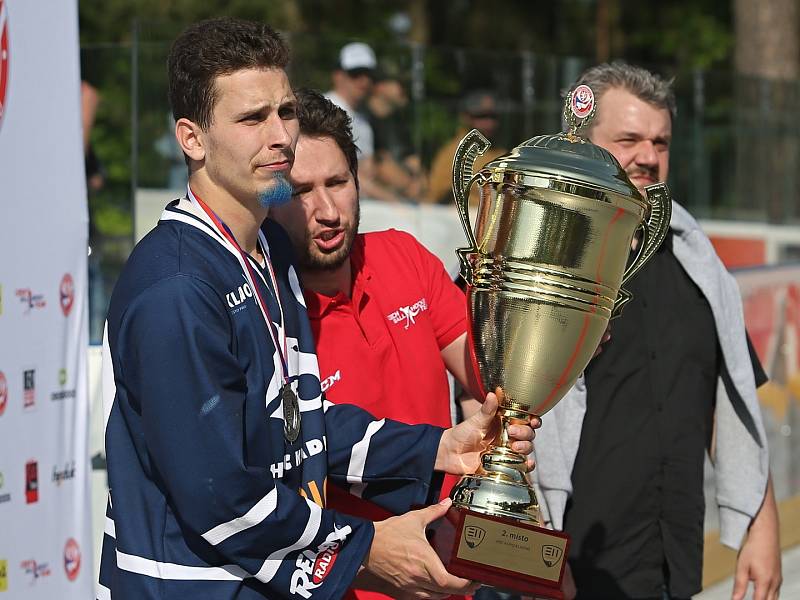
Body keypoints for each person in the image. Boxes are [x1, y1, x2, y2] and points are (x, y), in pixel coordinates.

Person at [98, 18, 537, 600]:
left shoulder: (266, 253)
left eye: (284, 112)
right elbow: (222, 500)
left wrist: (437, 447)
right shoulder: (177, 287)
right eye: (252, 118)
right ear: (192, 139)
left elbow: (298, 425)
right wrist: (364, 549)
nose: (279, 135)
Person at [533, 62, 782, 600]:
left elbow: (726, 400)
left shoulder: (699, 262)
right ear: (580, 142)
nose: (648, 156)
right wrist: (530, 554)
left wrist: (762, 525)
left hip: (670, 564)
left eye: (660, 142)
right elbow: (481, 410)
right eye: (628, 139)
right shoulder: (531, 252)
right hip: (568, 570)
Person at [325, 42, 402, 203]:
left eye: (368, 75)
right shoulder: (324, 109)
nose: (363, 81)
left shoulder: (363, 120)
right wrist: (393, 200)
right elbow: (336, 170)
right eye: (356, 74)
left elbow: (368, 170)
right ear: (338, 75)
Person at [426, 90, 506, 205]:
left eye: (493, 117)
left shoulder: (502, 154)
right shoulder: (453, 153)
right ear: (466, 117)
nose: (489, 123)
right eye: (481, 116)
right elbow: (435, 195)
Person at [365, 75, 427, 201]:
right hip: (379, 201)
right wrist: (408, 185)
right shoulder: (363, 120)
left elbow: (411, 158)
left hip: (405, 197)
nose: (404, 89)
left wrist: (420, 182)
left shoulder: (398, 121)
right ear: (380, 87)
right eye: (399, 84)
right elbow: (378, 166)